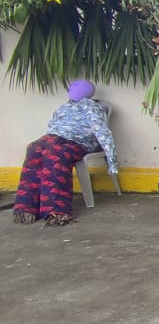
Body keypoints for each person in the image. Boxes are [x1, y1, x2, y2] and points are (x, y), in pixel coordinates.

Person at [13, 79, 117, 226]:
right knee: (33, 148)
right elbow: (52, 127)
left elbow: (102, 132)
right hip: (54, 139)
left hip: (76, 141)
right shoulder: (63, 107)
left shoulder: (92, 107)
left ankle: (56, 212)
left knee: (56, 153)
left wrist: (112, 161)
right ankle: (25, 209)